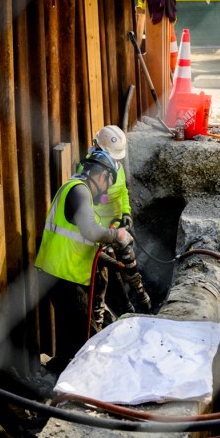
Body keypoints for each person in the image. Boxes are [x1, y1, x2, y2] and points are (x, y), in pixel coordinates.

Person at [34, 148, 133, 374]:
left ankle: (60, 371)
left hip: (60, 273)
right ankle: (77, 384)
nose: (107, 189)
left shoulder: (77, 190)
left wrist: (110, 257)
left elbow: (82, 238)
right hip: (62, 275)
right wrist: (118, 235)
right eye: (109, 182)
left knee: (70, 332)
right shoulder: (80, 191)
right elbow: (90, 231)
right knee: (81, 335)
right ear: (102, 175)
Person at [84, 125, 150, 330]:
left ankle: (144, 301)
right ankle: (103, 321)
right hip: (102, 233)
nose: (116, 161)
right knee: (103, 279)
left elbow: (122, 192)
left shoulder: (118, 168)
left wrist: (126, 213)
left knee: (130, 264)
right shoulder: (89, 173)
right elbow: (90, 208)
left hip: (117, 226)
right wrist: (105, 235)